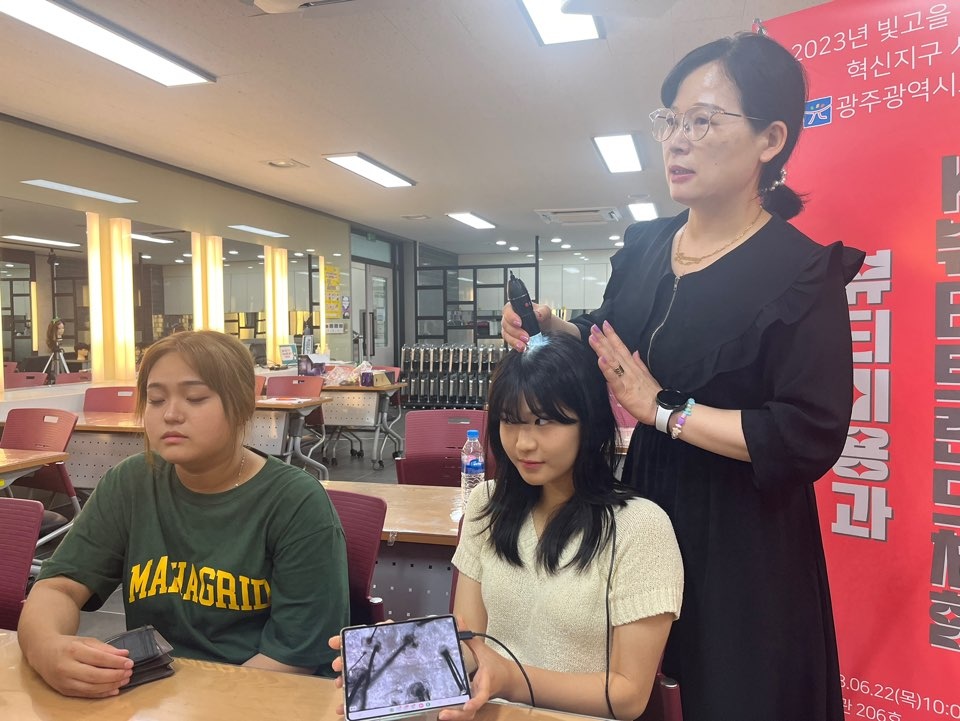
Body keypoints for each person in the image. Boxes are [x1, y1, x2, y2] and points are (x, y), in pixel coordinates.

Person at [501, 33, 864, 721]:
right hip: (647, 503)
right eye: (669, 120)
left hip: (743, 530)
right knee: (636, 683)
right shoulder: (645, 245)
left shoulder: (800, 271)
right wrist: (550, 325)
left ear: (770, 139)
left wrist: (663, 409)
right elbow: (611, 337)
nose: (676, 140)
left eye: (702, 120)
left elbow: (807, 434)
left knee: (728, 691)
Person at [330, 332, 684, 720]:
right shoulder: (487, 504)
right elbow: (470, 644)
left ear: (591, 423)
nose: (523, 443)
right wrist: (401, 661)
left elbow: (628, 695)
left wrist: (510, 679)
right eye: (510, 421)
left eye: (544, 421)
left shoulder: (640, 527)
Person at [18, 330, 349, 698]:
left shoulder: (295, 503)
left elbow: (294, 656)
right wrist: (46, 648)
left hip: (260, 698)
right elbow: (58, 587)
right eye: (156, 400)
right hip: (156, 696)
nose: (171, 414)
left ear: (242, 405)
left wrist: (195, 705)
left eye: (195, 398)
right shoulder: (132, 482)